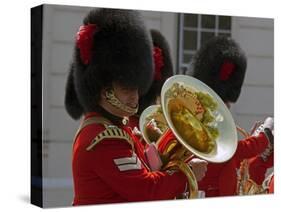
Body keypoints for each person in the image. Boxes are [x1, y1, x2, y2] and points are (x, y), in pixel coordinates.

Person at [64, 8, 206, 206]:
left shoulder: (119, 129)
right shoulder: (104, 139)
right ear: (104, 89)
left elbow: (148, 171)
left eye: (137, 88)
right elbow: (147, 190)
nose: (135, 97)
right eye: (126, 90)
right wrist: (185, 176)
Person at [189, 36, 274, 197]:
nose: (227, 106)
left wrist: (259, 154)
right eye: (225, 101)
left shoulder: (216, 124)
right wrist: (265, 136)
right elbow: (237, 151)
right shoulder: (199, 125)